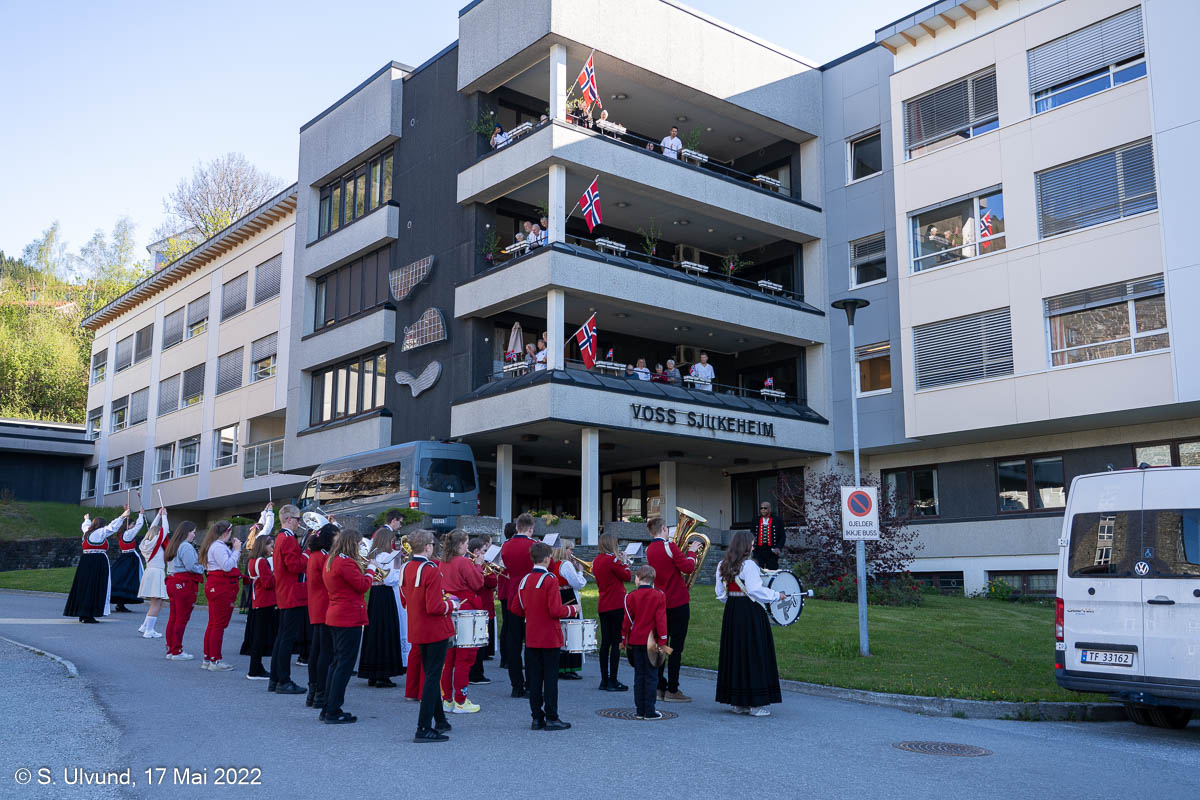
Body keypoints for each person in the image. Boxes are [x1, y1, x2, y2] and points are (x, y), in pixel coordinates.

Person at [512, 541, 579, 730]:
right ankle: (551, 717)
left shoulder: (525, 580)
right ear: (548, 558)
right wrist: (572, 609)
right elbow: (555, 610)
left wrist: (532, 613)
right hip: (549, 636)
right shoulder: (550, 579)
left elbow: (515, 608)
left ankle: (536, 717)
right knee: (550, 679)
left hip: (532, 635)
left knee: (534, 679)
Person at [715, 530, 783, 716]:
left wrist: (732, 603)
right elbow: (755, 590)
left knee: (735, 653)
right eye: (752, 544)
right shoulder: (749, 565)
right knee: (754, 653)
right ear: (745, 545)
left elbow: (720, 593)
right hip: (750, 612)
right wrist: (776, 595)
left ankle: (738, 703)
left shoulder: (722, 564)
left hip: (732, 611)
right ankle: (755, 705)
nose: (753, 547)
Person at [401, 530, 455, 742]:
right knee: (433, 678)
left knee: (431, 674)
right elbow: (434, 607)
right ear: (427, 547)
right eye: (432, 544)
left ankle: (440, 720)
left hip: (416, 627)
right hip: (434, 629)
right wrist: (451, 605)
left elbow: (406, 599)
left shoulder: (407, 566)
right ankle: (423, 727)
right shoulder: (430, 569)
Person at [321, 529, 376, 724]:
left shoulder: (332, 560)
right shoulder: (346, 562)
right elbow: (362, 585)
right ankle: (333, 710)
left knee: (337, 663)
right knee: (343, 666)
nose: (360, 547)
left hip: (337, 615)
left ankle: (328, 706)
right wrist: (371, 570)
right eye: (359, 544)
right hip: (348, 617)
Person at [646, 516, 700, 702]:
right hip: (677, 602)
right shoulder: (670, 546)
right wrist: (692, 552)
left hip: (659, 603)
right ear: (663, 529)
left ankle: (659, 687)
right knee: (676, 648)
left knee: (662, 645)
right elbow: (688, 567)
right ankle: (673, 690)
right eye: (667, 529)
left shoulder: (649, 549)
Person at [439, 530, 484, 713]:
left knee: (448, 657)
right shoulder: (464, 561)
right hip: (465, 609)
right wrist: (478, 566)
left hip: (450, 609)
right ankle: (461, 700)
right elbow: (477, 584)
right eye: (465, 543)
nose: (467, 547)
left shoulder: (443, 561)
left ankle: (447, 699)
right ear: (459, 545)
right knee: (464, 658)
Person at [64, 506, 128, 623]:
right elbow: (112, 527)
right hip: (96, 562)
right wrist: (122, 516)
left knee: (84, 586)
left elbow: (85, 526)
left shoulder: (86, 533)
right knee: (94, 586)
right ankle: (88, 614)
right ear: (101, 525)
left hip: (85, 562)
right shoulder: (99, 533)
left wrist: (86, 519)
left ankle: (83, 613)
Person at [358, 527, 405, 688]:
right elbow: (392, 580)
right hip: (386, 595)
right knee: (387, 632)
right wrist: (399, 567)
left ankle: (372, 673)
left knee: (374, 632)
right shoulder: (393, 556)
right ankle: (383, 675)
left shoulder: (373, 555)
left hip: (375, 594)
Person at [269, 504, 308, 695]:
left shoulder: (282, 537)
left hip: (285, 592)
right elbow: (295, 566)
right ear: (290, 519)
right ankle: (283, 680)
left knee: (282, 637)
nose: (299, 523)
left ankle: (276, 678)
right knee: (287, 638)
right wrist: (307, 554)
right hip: (292, 593)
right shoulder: (288, 538)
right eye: (298, 519)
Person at [621, 565, 668, 720]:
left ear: (638, 578)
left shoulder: (630, 596)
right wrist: (663, 640)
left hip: (635, 640)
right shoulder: (659, 595)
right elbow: (661, 621)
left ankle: (640, 710)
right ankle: (650, 710)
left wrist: (623, 638)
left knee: (639, 675)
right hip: (652, 642)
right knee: (651, 676)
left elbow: (627, 621)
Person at [499, 513, 536, 697]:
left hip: (513, 593)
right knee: (530, 642)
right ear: (530, 528)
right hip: (531, 596)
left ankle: (516, 685)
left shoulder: (506, 546)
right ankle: (530, 684)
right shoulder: (534, 545)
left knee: (514, 642)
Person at [199, 520, 242, 671]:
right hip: (221, 588)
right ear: (226, 532)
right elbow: (227, 566)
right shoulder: (218, 547)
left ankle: (208, 658)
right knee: (218, 625)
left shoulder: (215, 546)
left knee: (213, 624)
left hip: (216, 586)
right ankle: (215, 660)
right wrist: (237, 550)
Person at [592, 532, 631, 692]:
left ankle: (604, 679)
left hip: (604, 604)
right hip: (616, 604)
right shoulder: (612, 560)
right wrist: (625, 561)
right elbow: (627, 576)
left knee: (605, 643)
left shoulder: (596, 560)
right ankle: (613, 680)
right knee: (616, 642)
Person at [305, 524, 336, 708]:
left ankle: (313, 690)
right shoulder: (324, 556)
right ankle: (321, 693)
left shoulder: (315, 555)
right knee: (324, 651)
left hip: (316, 606)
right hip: (324, 605)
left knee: (316, 650)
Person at [163, 521, 202, 660]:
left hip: (172, 582)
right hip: (183, 584)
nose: (194, 535)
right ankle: (177, 650)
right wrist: (203, 567)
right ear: (187, 532)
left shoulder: (173, 545)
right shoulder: (185, 546)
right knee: (181, 618)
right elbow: (191, 566)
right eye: (193, 532)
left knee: (173, 617)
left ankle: (171, 648)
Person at [240, 532, 277, 680]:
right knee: (260, 636)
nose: (272, 548)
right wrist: (276, 573)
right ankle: (255, 669)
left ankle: (256, 667)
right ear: (263, 546)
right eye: (270, 546)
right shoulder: (262, 561)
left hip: (258, 600)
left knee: (258, 635)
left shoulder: (252, 560)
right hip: (264, 600)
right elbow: (268, 583)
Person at [550, 540, 587, 680]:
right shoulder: (566, 564)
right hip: (569, 597)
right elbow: (577, 583)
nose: (572, 552)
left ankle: (560, 666)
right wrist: (580, 571)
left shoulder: (554, 564)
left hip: (559, 597)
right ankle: (569, 667)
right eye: (570, 549)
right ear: (564, 550)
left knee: (562, 633)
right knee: (572, 633)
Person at [467, 535, 498, 685]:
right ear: (476, 551)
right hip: (481, 606)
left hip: (480, 605)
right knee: (477, 644)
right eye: (484, 551)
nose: (486, 554)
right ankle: (476, 674)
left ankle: (474, 672)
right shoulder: (477, 565)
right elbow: (492, 582)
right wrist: (487, 568)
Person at [137, 507, 170, 639]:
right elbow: (165, 529)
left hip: (150, 572)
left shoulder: (145, 543)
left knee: (159, 601)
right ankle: (149, 631)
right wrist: (164, 516)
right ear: (157, 535)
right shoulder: (156, 542)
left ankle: (145, 626)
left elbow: (152, 528)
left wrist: (158, 516)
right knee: (156, 602)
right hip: (156, 573)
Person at [109, 507, 146, 613]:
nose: (133, 526)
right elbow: (139, 526)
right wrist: (141, 515)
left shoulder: (122, 534)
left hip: (125, 557)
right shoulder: (128, 534)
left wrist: (126, 513)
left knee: (124, 580)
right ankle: (120, 603)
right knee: (127, 580)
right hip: (129, 558)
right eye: (132, 524)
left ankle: (121, 603)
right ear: (128, 525)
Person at [752, 501, 786, 571]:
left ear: (770, 509)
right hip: (758, 549)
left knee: (772, 569)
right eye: (761, 508)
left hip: (772, 550)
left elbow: (782, 536)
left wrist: (778, 547)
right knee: (758, 569)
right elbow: (752, 534)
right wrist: (752, 546)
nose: (763, 510)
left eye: (765, 508)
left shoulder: (777, 520)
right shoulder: (756, 520)